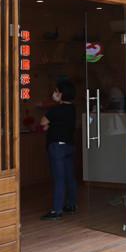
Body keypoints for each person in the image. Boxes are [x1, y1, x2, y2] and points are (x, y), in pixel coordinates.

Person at [39, 79, 78, 220]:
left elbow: (43, 122)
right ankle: (71, 204)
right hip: (69, 146)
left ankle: (57, 210)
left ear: (62, 94)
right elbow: (57, 123)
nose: (54, 93)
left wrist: (49, 124)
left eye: (56, 91)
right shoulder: (72, 109)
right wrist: (51, 125)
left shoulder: (56, 110)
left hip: (57, 148)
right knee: (69, 177)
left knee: (59, 178)